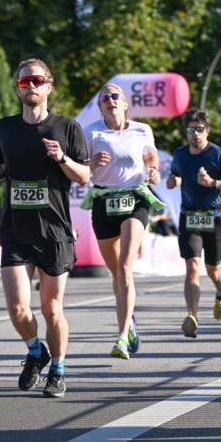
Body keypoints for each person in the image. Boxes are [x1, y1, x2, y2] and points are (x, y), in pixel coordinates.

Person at [0, 58, 90, 398]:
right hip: (15, 229)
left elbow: (84, 176)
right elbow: (1, 165)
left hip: (54, 231)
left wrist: (62, 158)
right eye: (24, 81)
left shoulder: (67, 128)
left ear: (49, 86)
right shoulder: (5, 127)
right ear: (17, 88)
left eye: (37, 81)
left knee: (51, 309)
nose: (30, 86)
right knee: (17, 308)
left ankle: (57, 369)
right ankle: (35, 351)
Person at [81, 83, 162, 359]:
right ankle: (130, 320)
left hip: (135, 198)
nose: (110, 100)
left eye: (115, 96)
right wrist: (92, 163)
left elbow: (150, 156)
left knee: (126, 268)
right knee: (116, 274)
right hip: (104, 201)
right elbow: (79, 168)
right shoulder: (91, 132)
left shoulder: (141, 129)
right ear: (100, 106)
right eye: (104, 97)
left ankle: (122, 337)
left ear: (124, 103)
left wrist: (153, 170)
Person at [167, 109, 221, 338]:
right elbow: (175, 174)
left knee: (213, 269)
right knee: (192, 266)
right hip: (189, 215)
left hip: (215, 215)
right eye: (191, 129)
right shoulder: (180, 154)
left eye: (199, 129)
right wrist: (173, 180)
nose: (195, 133)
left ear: (207, 131)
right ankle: (192, 316)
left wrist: (213, 183)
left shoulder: (218, 154)